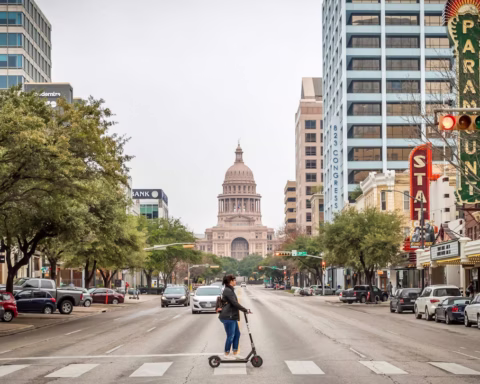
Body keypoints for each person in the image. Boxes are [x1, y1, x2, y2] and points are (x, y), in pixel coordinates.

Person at [218, 274, 251, 360]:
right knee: (231, 335)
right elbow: (234, 303)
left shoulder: (230, 290)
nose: (235, 281)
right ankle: (226, 354)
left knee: (237, 334)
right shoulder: (228, 291)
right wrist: (245, 310)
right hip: (228, 316)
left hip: (231, 316)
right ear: (230, 282)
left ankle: (235, 353)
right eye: (234, 280)